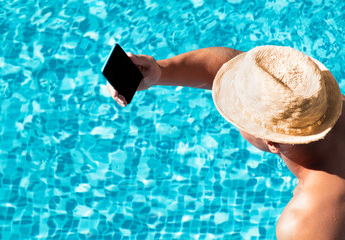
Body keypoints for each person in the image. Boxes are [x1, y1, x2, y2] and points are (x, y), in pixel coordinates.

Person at [107, 46, 345, 240]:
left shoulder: (307, 224)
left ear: (272, 142)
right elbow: (227, 65)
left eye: (236, 114)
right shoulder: (315, 100)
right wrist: (160, 71)